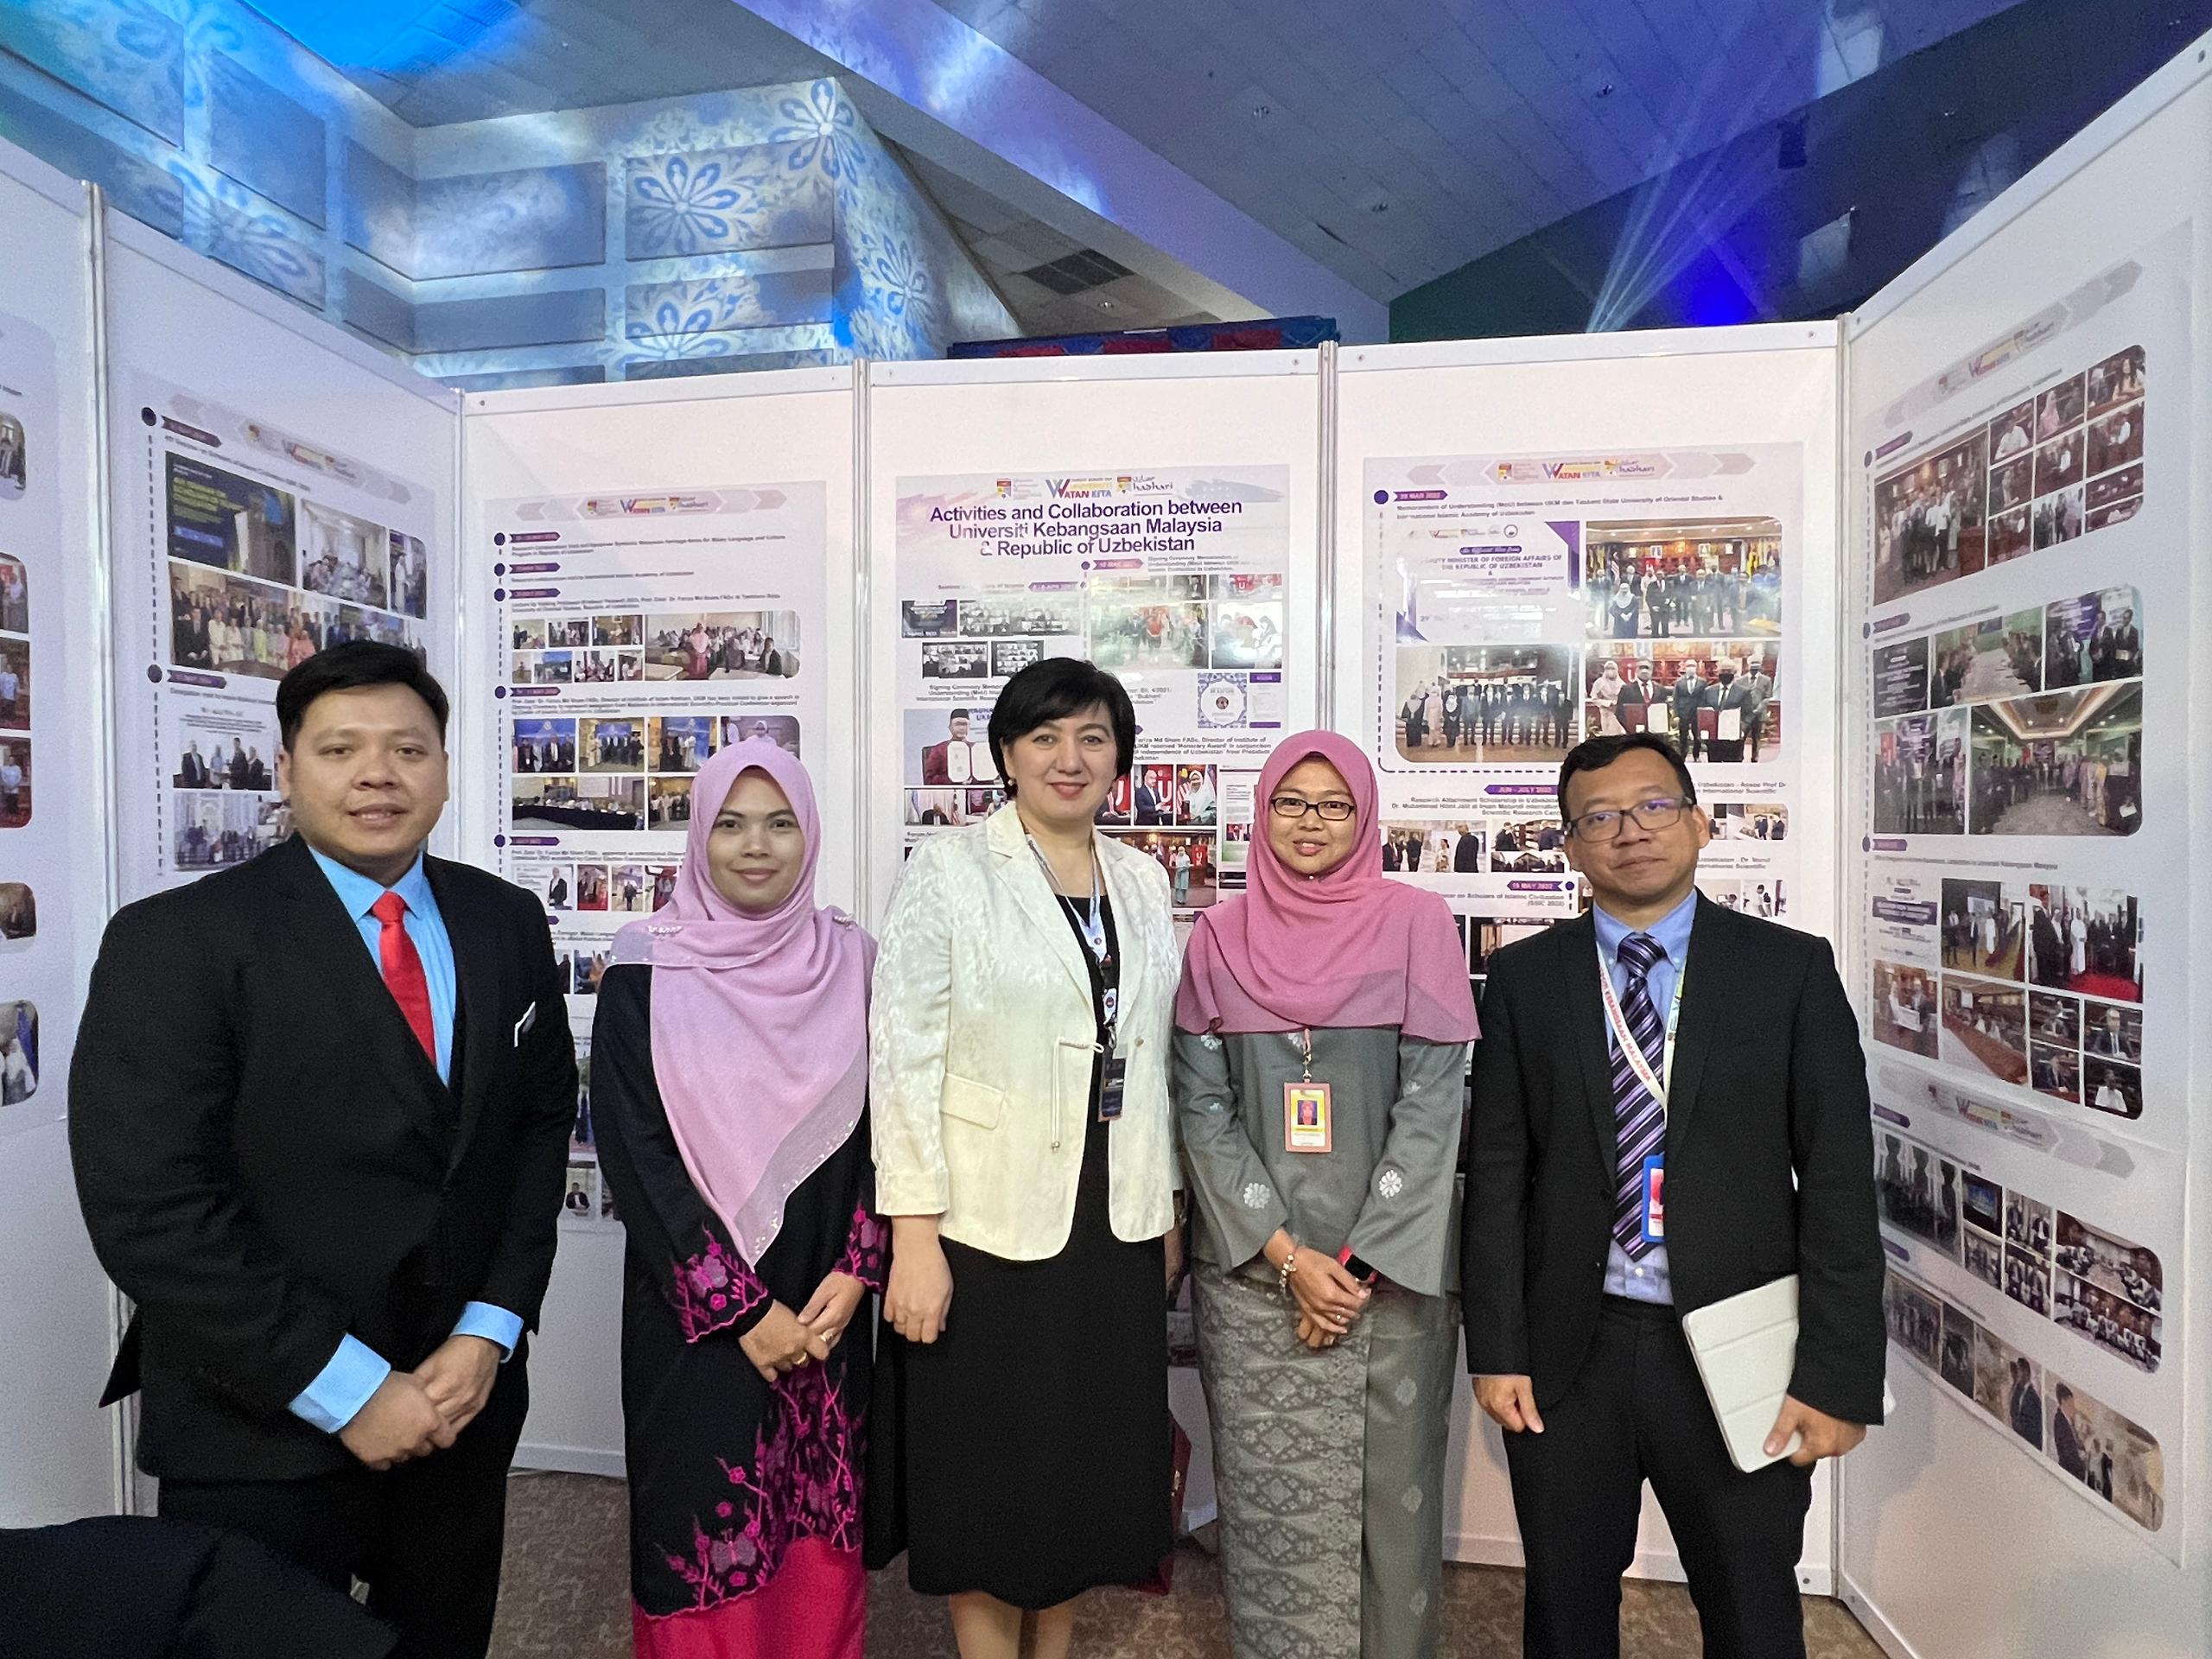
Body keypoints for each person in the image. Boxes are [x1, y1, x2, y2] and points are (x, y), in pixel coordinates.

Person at [68, 643, 577, 1659]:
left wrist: (489, 1329)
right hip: (258, 1417)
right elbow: (152, 1207)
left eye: (407, 750)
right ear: (286, 768)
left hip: (461, 1398)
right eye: (341, 749)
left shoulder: (505, 920)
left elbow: (536, 1130)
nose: (377, 774)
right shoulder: (176, 941)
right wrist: (348, 1389)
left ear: (444, 770)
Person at [1462, 731, 1883, 1659]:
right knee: (1565, 1610)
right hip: (1572, 1353)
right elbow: (1495, 1176)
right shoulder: (1527, 979)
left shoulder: (1788, 970)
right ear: (1569, 846)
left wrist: (1836, 1375)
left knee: (1752, 1610)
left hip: (1741, 1348)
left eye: (1654, 806)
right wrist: (1495, 1348)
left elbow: (1838, 1182)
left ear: (1698, 822)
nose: (1631, 831)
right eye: (1599, 817)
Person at [870, 657, 1181, 1659]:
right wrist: (913, 1237)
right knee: (990, 1480)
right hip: (982, 1224)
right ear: (1006, 755)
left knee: (1082, 1478)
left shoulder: (1142, 881)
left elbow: (1154, 1056)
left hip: (1113, 1218)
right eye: (1045, 737)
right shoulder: (949, 870)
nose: (1069, 758)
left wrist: (1166, 1205)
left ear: (1119, 760)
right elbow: (903, 1058)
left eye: (1093, 737)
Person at [1173, 731, 1478, 1658]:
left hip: (1387, 1281)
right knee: (1269, 1512)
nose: (1312, 822)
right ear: (1261, 813)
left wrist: (1352, 1265)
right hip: (1255, 1284)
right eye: (1291, 803)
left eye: (1334, 804)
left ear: (1364, 816)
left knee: (1392, 1508)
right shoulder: (1219, 938)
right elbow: (1203, 1110)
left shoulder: (1418, 923)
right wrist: (1289, 1258)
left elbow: (1433, 1109)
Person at [592, 740, 885, 1657]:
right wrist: (742, 1312)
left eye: (780, 823)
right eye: (731, 825)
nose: (756, 846)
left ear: (811, 835)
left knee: (816, 1526)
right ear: (699, 838)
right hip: (696, 1317)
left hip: (826, 1306)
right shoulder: (644, 969)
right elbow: (636, 1155)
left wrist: (858, 1269)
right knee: (701, 1516)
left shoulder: (856, 963)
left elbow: (893, 1132)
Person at [921, 709, 975, 786]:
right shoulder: (939, 750)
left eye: (965, 724)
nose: (962, 728)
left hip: (973, 790)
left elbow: (986, 778)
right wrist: (953, 781)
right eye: (958, 724)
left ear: (969, 727)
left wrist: (973, 780)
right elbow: (929, 779)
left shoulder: (975, 750)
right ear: (950, 728)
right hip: (948, 791)